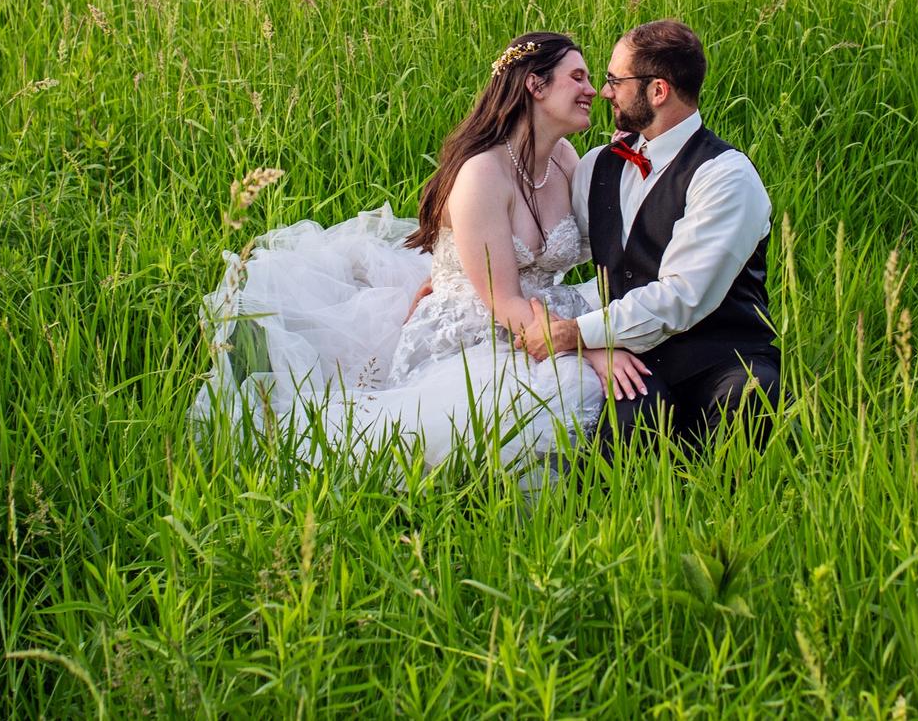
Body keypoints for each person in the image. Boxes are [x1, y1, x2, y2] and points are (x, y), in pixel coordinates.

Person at [193, 32, 651, 470]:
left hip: (538, 313)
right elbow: (504, 302)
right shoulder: (482, 175)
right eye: (578, 77)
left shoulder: (565, 158)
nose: (594, 90)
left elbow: (599, 242)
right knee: (564, 386)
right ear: (535, 85)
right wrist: (588, 345)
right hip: (477, 329)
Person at [514, 19, 781, 449]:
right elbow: (559, 248)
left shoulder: (726, 177)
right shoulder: (598, 165)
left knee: (748, 398)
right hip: (634, 360)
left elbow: (681, 297)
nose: (604, 92)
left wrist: (574, 333)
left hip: (722, 360)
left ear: (658, 91)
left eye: (615, 81)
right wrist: (475, 269)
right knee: (628, 421)